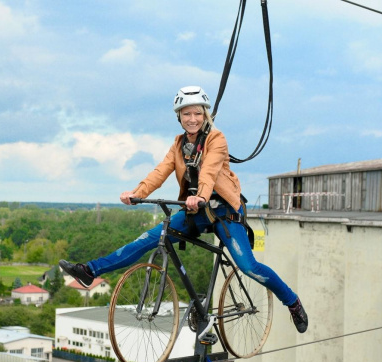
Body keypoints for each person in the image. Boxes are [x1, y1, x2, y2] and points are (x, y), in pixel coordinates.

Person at [59, 86, 308, 333]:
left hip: (224, 211)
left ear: (205, 115)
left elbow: (209, 171)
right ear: (179, 117)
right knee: (147, 239)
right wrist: (138, 193)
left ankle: (292, 301)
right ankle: (90, 270)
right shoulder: (178, 145)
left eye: (197, 114)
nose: (192, 119)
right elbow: (160, 171)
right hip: (196, 210)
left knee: (248, 266)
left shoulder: (216, 139)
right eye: (186, 114)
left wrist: (200, 195)